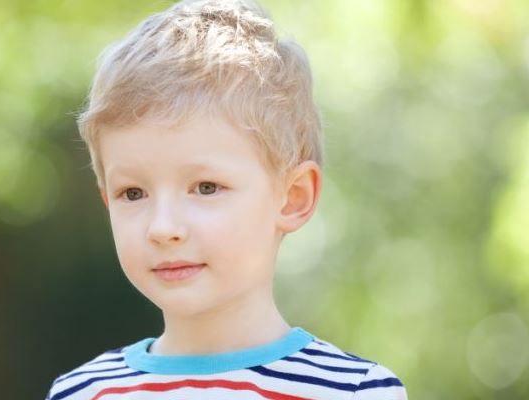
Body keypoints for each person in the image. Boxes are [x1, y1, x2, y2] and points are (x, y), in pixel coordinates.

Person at [46, 0, 408, 398]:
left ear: (292, 197)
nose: (163, 228)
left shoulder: (353, 391)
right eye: (133, 193)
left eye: (206, 187)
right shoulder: (81, 392)